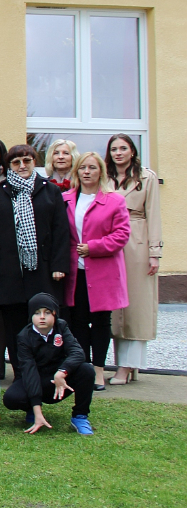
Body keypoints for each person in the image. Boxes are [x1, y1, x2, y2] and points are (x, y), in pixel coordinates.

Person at [0, 144, 69, 374]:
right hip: (7, 273)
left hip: (42, 270)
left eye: (27, 160)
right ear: (9, 166)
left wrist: (59, 265)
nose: (22, 166)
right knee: (13, 327)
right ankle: (20, 372)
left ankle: (44, 372)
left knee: (42, 322)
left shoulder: (50, 191)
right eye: (16, 162)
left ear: (34, 161)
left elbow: (61, 231)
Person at [62, 152, 130, 391]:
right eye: (83, 168)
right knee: (78, 321)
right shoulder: (66, 199)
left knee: (101, 322)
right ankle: (84, 368)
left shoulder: (114, 200)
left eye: (92, 167)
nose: (87, 172)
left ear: (101, 171)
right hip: (75, 272)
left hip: (103, 271)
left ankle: (99, 371)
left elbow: (122, 235)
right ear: (76, 171)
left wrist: (94, 247)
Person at [106, 134, 160, 385]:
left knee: (136, 307)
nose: (118, 153)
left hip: (137, 241)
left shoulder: (147, 177)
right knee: (116, 307)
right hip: (110, 242)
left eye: (123, 148)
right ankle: (123, 365)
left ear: (132, 151)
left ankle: (127, 367)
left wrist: (154, 253)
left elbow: (154, 216)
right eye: (114, 149)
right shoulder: (105, 177)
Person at [2, 293, 96, 435]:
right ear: (30, 316)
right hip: (36, 380)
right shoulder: (23, 337)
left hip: (59, 380)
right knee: (11, 398)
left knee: (87, 370)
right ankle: (33, 412)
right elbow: (29, 372)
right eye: (37, 313)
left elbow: (77, 353)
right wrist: (36, 407)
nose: (42, 317)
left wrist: (63, 371)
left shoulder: (62, 327)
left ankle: (80, 417)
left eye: (47, 312)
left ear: (55, 314)